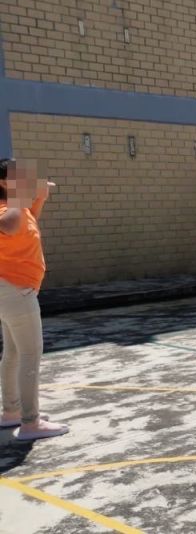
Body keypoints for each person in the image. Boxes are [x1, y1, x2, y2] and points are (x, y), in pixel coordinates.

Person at [0, 159, 69, 440]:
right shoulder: (6, 209)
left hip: (12, 291)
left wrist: (39, 196)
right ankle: (30, 423)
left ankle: (11, 412)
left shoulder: (17, 209)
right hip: (15, 290)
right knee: (29, 354)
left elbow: (26, 227)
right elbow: (9, 226)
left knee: (14, 353)